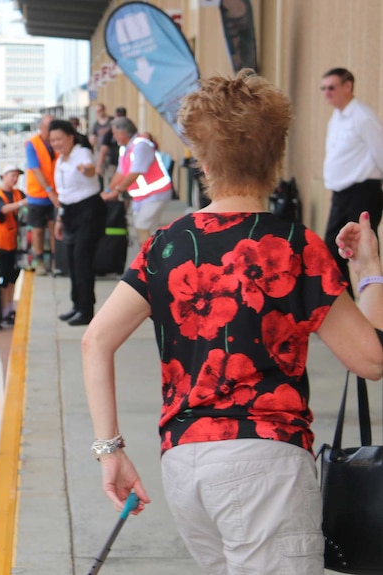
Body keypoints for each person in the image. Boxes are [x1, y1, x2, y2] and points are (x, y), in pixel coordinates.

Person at [81, 69, 383, 575]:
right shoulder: (295, 246)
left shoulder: (167, 245)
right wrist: (370, 273)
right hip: (266, 465)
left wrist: (109, 451)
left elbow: (96, 340)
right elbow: (371, 358)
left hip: (185, 465)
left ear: (201, 158)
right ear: (276, 155)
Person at [322, 67, 383, 295]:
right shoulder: (335, 118)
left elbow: (380, 151)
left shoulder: (363, 116)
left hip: (363, 192)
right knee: (332, 249)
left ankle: (373, 305)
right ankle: (348, 304)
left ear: (348, 86)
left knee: (363, 251)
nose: (326, 92)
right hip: (341, 195)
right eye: (324, 88)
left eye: (331, 87)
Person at [48, 119, 106, 326]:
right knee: (72, 261)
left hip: (88, 211)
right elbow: (63, 194)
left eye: (59, 139)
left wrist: (87, 170)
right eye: (52, 140)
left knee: (82, 261)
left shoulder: (81, 153)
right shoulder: (61, 160)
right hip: (70, 212)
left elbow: (90, 169)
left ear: (70, 137)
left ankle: (86, 309)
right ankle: (77, 304)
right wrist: (59, 220)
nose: (56, 143)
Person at [105, 116, 173, 246]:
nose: (113, 137)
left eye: (114, 133)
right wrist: (108, 189)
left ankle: (148, 261)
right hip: (141, 197)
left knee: (143, 227)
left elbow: (135, 173)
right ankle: (150, 259)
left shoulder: (141, 145)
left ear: (122, 133)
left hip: (156, 194)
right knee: (145, 229)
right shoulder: (125, 148)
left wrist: (116, 191)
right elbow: (120, 173)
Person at [0, 165, 27, 325]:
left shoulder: (18, 193)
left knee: (13, 278)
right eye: (12, 176)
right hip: (3, 243)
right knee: (4, 278)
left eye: (17, 176)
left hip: (16, 242)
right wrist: (22, 203)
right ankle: (3, 310)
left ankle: (10, 309)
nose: (15, 179)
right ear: (4, 176)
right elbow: (2, 210)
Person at [25, 114, 58, 276]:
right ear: (40, 128)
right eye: (48, 128)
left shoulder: (57, 142)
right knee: (38, 231)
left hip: (56, 195)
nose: (51, 131)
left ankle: (54, 261)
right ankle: (39, 262)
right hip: (38, 195)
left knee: (54, 229)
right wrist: (49, 191)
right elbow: (36, 170)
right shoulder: (32, 144)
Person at [95, 106, 125, 197]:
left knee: (125, 190)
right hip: (113, 162)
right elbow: (103, 149)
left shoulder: (128, 130)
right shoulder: (110, 132)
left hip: (125, 163)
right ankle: (114, 206)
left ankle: (123, 208)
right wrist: (99, 165)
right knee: (113, 184)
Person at [89, 104, 114, 188]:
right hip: (100, 152)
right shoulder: (96, 125)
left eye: (101, 110)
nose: (99, 112)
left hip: (112, 153)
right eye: (98, 111)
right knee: (100, 175)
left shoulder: (112, 121)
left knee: (111, 175)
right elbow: (92, 139)